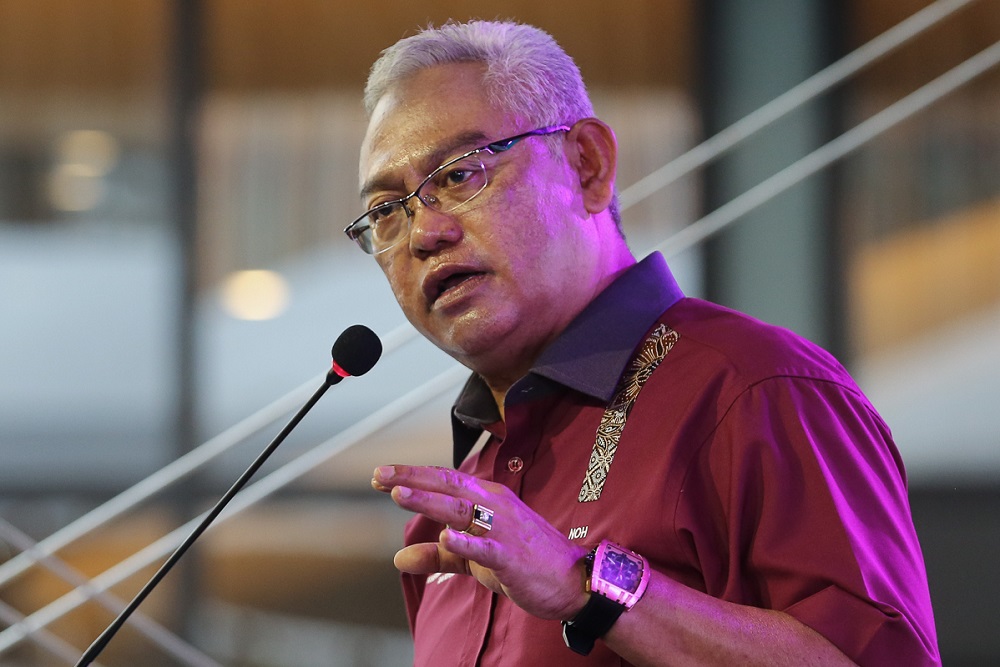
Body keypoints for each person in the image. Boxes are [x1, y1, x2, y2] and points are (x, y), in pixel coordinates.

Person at [349, 20, 940, 666]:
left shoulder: (757, 391)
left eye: (462, 174)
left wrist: (587, 586)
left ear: (587, 165)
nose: (422, 233)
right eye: (385, 210)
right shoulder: (448, 516)